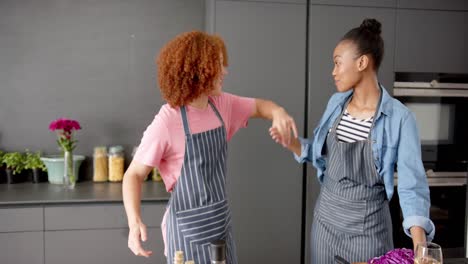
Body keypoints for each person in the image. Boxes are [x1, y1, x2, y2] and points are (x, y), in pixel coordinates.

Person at [122, 31, 298, 264]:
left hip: (220, 226)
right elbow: (133, 174)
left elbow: (261, 107)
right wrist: (134, 222)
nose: (225, 71)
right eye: (218, 65)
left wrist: (278, 113)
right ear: (198, 70)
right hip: (185, 234)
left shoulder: (222, 104)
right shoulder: (168, 120)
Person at [270, 18, 434, 263]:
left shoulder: (400, 118)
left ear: (362, 62)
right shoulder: (336, 104)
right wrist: (290, 142)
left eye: (337, 63)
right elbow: (320, 155)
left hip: (368, 232)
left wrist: (421, 248)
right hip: (326, 224)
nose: (333, 71)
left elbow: (413, 187)